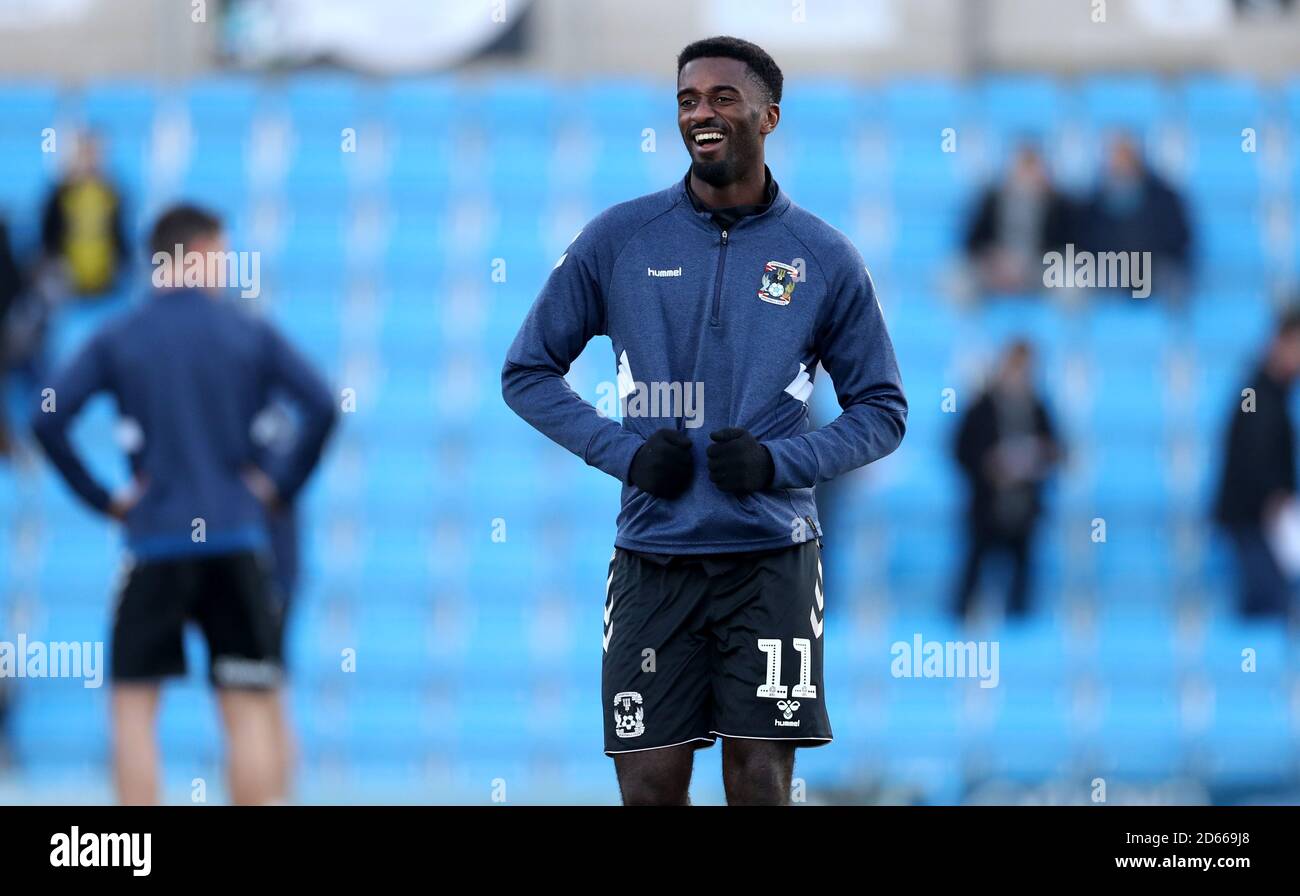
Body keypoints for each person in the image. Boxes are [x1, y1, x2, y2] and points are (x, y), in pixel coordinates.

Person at [502, 36, 907, 806]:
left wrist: (777, 464)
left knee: (759, 783)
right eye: (688, 99)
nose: (702, 113)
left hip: (772, 562)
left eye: (723, 97)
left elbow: (883, 411)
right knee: (650, 788)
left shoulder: (824, 256)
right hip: (655, 557)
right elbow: (526, 372)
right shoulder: (620, 238)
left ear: (769, 115)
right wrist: (620, 452)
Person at [31, 204, 337, 805]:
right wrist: (277, 491)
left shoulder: (121, 335)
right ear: (194, 253)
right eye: (221, 255)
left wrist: (105, 500)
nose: (226, 269)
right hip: (236, 537)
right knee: (247, 709)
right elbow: (323, 404)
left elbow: (47, 419)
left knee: (133, 713)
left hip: (155, 541)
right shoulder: (246, 330)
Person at [953, 340, 1061, 621]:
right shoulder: (981, 407)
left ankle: (1020, 640)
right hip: (985, 508)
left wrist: (1035, 460)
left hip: (1025, 509)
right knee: (972, 574)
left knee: (1022, 582)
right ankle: (959, 626)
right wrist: (990, 468)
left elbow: (1057, 451)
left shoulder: (1038, 407)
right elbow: (960, 450)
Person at [1213, 307, 1300, 619]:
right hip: (1255, 524)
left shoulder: (1270, 393)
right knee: (1266, 609)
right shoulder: (1258, 396)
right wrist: (1275, 498)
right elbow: (1251, 457)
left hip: (1263, 522)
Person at [1079, 135, 1192, 300]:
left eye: (1126, 157)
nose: (1121, 164)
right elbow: (1088, 241)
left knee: (1176, 284)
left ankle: (1174, 326)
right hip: (1109, 269)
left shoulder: (1165, 198)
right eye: (1116, 157)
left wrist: (1145, 261)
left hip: (1155, 268)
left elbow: (1179, 239)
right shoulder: (1094, 201)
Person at [963, 144, 1074, 296]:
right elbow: (972, 243)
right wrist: (995, 259)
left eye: (1033, 167)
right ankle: (966, 320)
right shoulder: (991, 200)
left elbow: (1066, 245)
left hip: (1039, 269)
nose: (1027, 174)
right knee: (960, 281)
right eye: (1022, 166)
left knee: (1070, 282)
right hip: (996, 268)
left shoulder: (1058, 204)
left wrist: (1025, 265)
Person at [39, 131, 130, 299]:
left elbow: (120, 232)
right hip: (67, 280)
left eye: (95, 153)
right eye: (85, 153)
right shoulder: (60, 192)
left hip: (105, 279)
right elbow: (48, 234)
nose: (90, 159)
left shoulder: (111, 191)